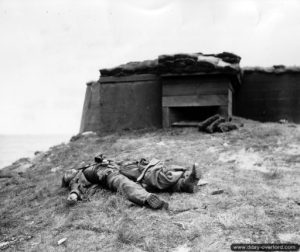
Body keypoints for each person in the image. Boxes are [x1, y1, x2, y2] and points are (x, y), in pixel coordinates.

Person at [62, 155, 200, 210]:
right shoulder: (77, 177)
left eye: (69, 170)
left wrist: (102, 160)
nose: (70, 171)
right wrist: (74, 195)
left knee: (149, 173)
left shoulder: (86, 167)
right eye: (67, 174)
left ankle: (184, 184)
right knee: (125, 185)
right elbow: (76, 188)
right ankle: (147, 199)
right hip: (109, 176)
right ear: (68, 179)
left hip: (120, 167)